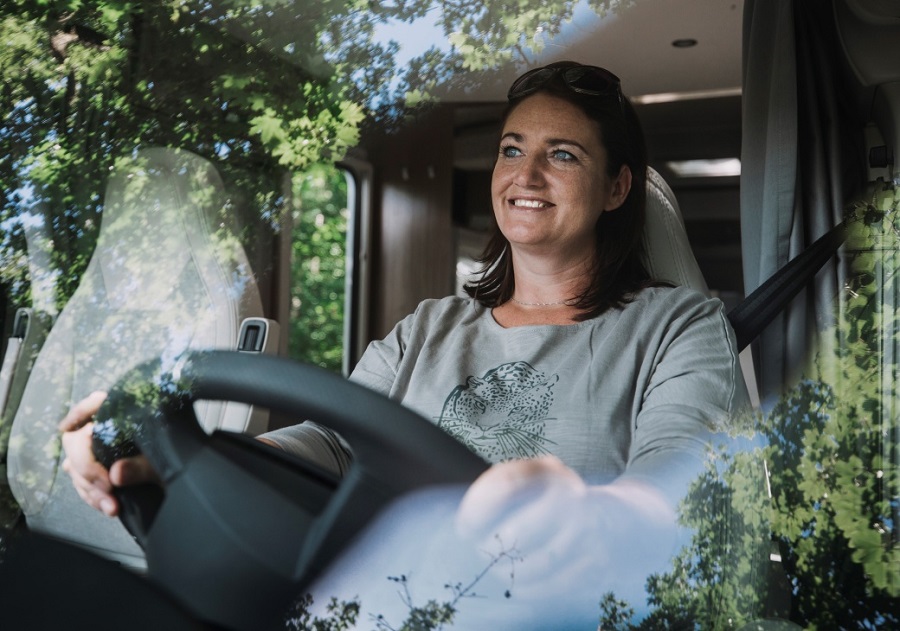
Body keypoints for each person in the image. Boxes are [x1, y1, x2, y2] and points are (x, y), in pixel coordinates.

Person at [60, 63, 750, 602]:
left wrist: (588, 515)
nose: (526, 174)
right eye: (512, 149)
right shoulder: (430, 325)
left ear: (617, 188)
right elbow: (331, 443)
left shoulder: (680, 326)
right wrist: (195, 458)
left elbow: (676, 488)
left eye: (562, 155)